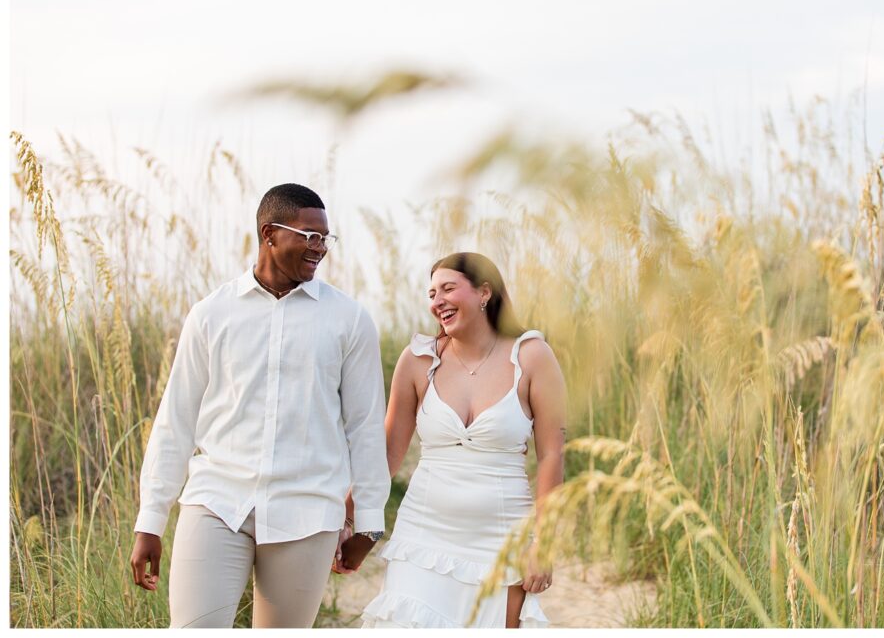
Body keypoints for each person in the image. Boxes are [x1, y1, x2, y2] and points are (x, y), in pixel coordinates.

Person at [129, 183, 390, 628]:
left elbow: (365, 427)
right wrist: (150, 518)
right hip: (217, 502)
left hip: (307, 513)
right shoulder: (211, 314)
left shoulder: (349, 320)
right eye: (309, 235)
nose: (320, 248)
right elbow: (176, 420)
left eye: (325, 238)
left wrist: (367, 522)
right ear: (269, 233)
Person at [354, 252, 567, 628]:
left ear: (485, 292)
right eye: (431, 292)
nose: (437, 301)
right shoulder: (417, 360)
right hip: (423, 534)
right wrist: (349, 515)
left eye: (448, 288)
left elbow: (552, 454)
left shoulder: (532, 356)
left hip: (502, 539)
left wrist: (543, 543)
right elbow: (388, 452)